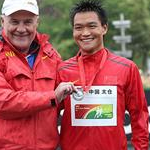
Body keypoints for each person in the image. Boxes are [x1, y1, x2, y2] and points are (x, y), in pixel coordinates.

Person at [57, 0, 149, 150]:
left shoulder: (127, 68)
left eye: (92, 26)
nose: (85, 33)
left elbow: (139, 116)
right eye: (78, 28)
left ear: (104, 28)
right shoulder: (62, 70)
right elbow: (48, 117)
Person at [0, 0, 75, 149]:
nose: (21, 29)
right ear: (3, 21)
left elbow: (68, 100)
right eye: (15, 22)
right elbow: (4, 101)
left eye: (28, 22)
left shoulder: (52, 56)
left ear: (37, 23)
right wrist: (53, 97)